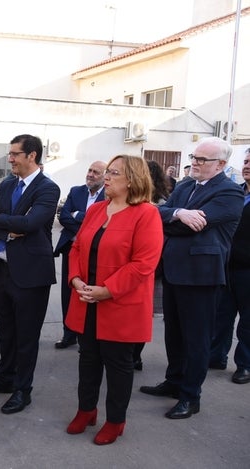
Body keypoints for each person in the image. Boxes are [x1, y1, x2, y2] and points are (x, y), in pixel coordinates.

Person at [140, 137, 244, 419]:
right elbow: (155, 214)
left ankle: (190, 396)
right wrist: (179, 213)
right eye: (194, 158)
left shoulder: (230, 193)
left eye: (201, 160)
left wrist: (172, 220)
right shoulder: (185, 186)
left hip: (201, 276)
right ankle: (173, 382)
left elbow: (191, 229)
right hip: (173, 270)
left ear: (221, 164)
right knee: (173, 333)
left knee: (196, 338)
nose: (194, 164)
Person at [64, 155, 163, 445]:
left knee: (119, 366)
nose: (106, 177)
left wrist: (107, 290)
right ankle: (86, 410)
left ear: (132, 179)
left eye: (114, 173)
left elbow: (144, 263)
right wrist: (76, 280)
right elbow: (77, 248)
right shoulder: (96, 210)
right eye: (107, 171)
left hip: (120, 303)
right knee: (88, 359)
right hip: (86, 299)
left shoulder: (146, 214)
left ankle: (115, 420)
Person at [0, 134, 60, 414]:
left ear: (32, 155)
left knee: (26, 336)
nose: (9, 158)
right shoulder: (9, 184)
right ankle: (5, 378)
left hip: (32, 274)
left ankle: (23, 390)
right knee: (7, 331)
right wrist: (10, 227)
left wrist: (4, 221)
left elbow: (34, 222)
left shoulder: (48, 189)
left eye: (14, 154)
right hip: (5, 270)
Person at [53, 160, 106, 349]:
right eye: (90, 170)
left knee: (88, 292)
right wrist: (85, 223)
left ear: (105, 176)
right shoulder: (76, 191)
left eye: (96, 172)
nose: (91, 174)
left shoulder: (109, 197)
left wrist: (78, 215)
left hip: (93, 253)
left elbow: (103, 222)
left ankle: (88, 335)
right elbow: (63, 216)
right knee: (69, 292)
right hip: (71, 248)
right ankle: (69, 334)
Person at [209, 148, 250, 384]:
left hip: (248, 270)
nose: (246, 166)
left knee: (247, 321)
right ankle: (216, 356)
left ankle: (245, 364)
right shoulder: (235, 194)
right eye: (245, 161)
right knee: (222, 315)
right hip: (226, 265)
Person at [132, 161, 172, 370]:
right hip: (134, 264)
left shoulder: (161, 204)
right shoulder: (131, 201)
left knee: (142, 312)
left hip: (151, 267)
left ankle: (134, 355)